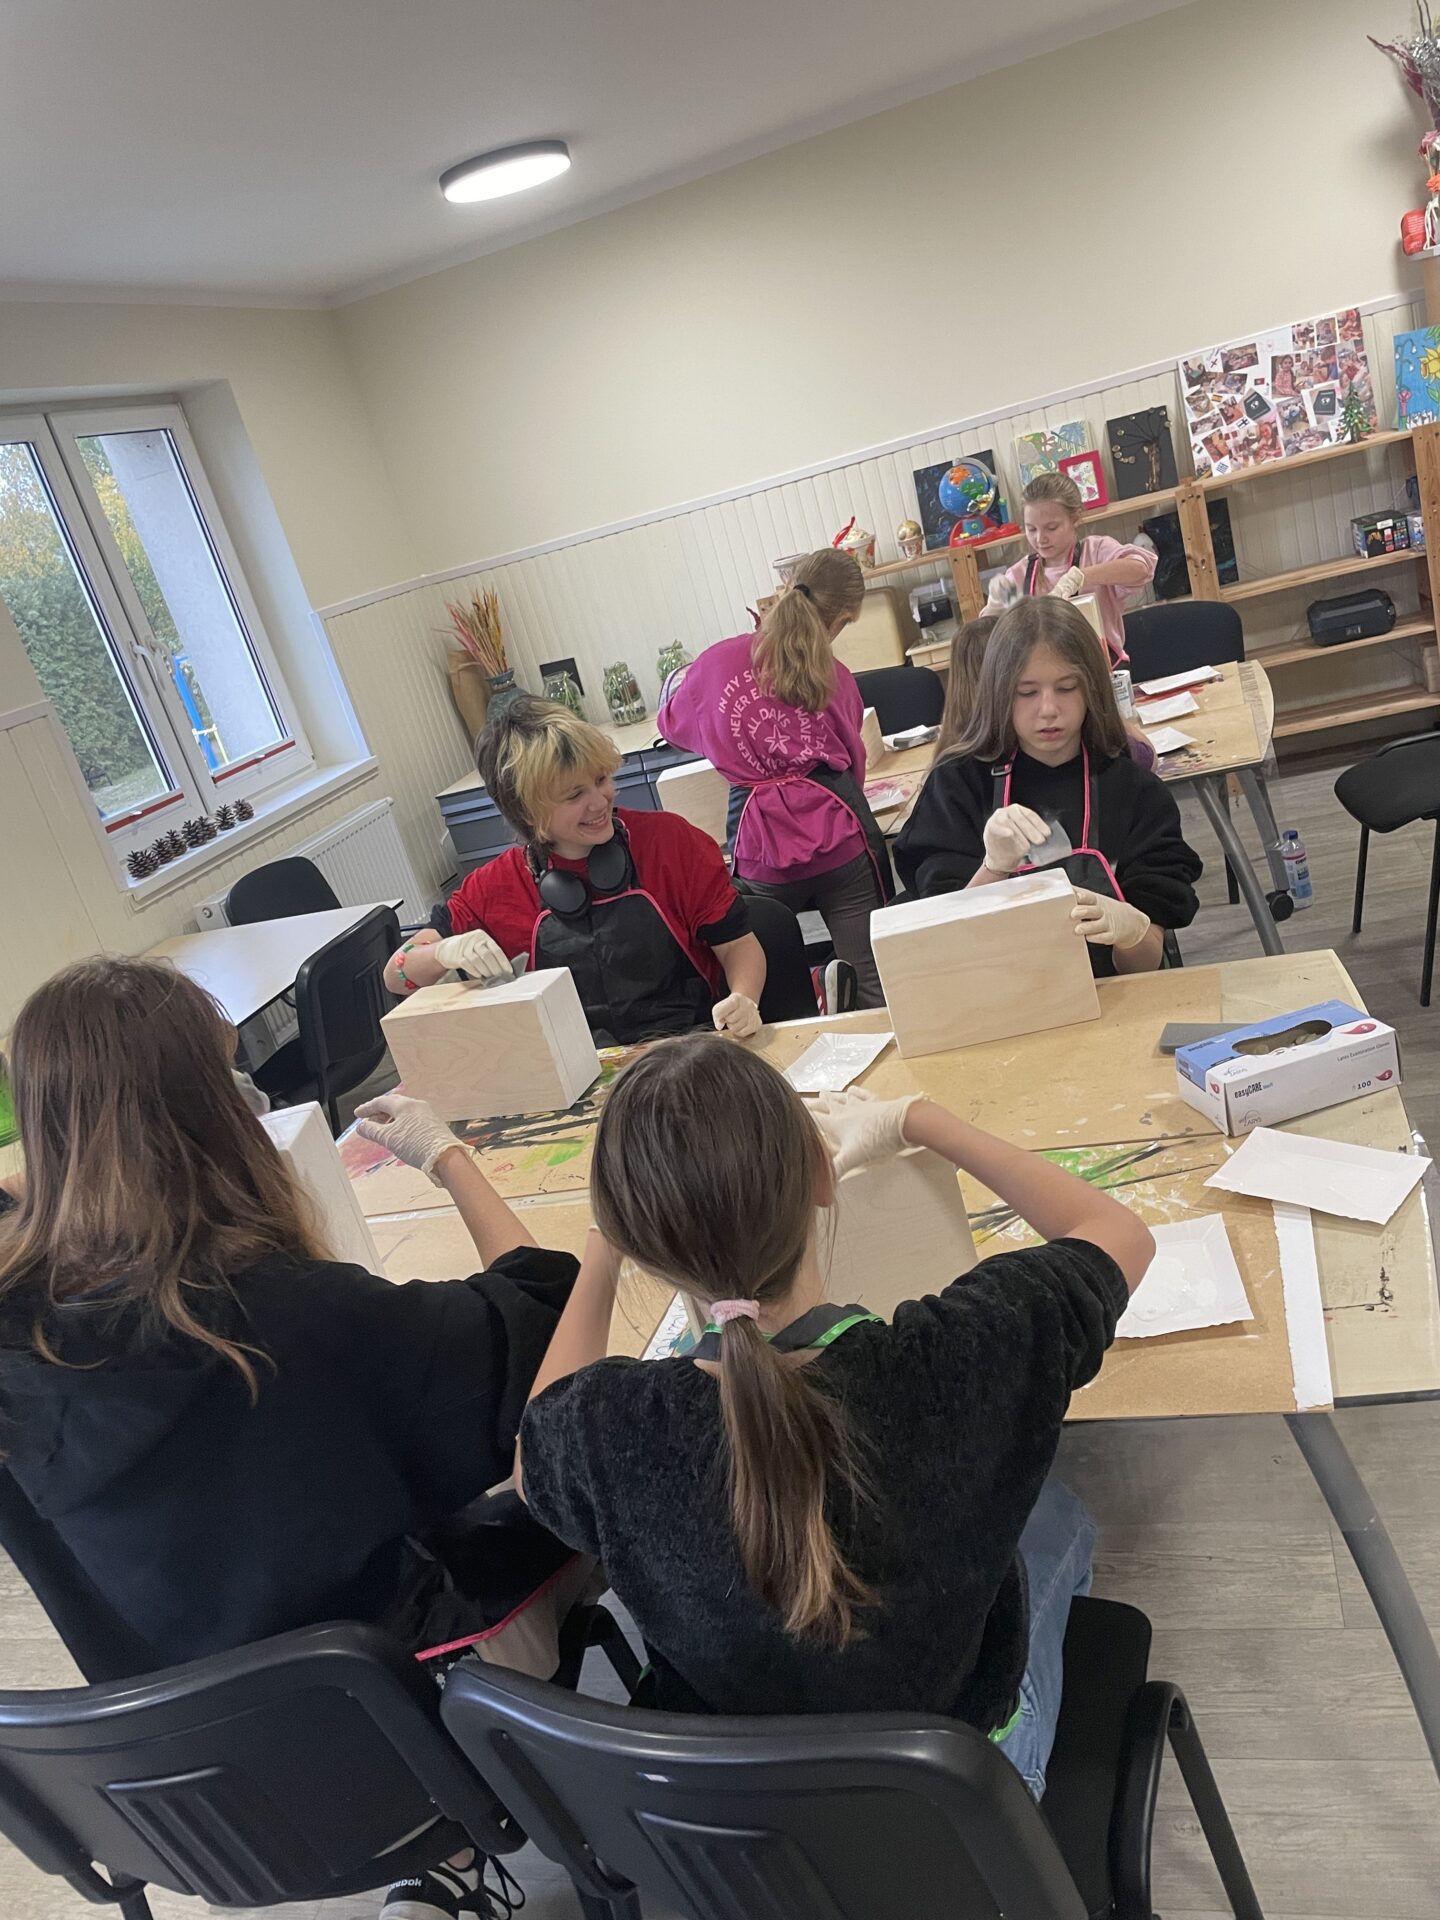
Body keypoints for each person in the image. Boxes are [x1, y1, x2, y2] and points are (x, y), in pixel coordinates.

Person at [0, 958, 585, 1920]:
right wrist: (450, 1159)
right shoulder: (298, 1317)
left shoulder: (19, 1355)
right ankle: (641, 1764)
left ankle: (444, 1862)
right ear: (210, 1115)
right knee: (582, 1484)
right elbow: (549, 1332)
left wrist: (70, 1170)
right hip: (392, 1730)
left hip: (191, 1789)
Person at [515, 1034, 1154, 1799]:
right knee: (1060, 1516)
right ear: (823, 1175)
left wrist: (603, 1248)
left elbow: (533, 1448)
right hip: (959, 1802)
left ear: (633, 1241)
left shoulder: (605, 1432)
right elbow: (1120, 1235)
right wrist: (920, 1119)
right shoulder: (968, 1358)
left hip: (735, 1822)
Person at [385, 696, 767, 1045]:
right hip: (574, 1072)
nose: (599, 802)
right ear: (526, 810)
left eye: (600, 779)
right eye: (574, 795)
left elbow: (737, 944)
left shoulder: (670, 842)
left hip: (689, 1052)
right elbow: (397, 976)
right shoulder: (493, 888)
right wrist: (443, 952)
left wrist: (744, 998)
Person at [895, 598, 1202, 976]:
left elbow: (1144, 965)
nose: (1048, 709)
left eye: (1067, 687)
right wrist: (993, 869)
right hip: (990, 994)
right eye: (1027, 692)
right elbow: (946, 947)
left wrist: (1131, 931)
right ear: (998, 692)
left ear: (1092, 689)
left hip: (1109, 996)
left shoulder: (1135, 792)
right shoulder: (956, 787)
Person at [657, 548, 891, 1007]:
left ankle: (809, 1005)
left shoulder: (715, 664)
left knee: (769, 984)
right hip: (839, 840)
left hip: (760, 846)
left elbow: (673, 726)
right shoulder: (835, 675)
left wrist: (738, 746)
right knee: (872, 981)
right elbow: (851, 759)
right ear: (840, 619)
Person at [986, 472, 1156, 663]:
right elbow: (989, 636)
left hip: (1103, 670)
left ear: (1075, 519)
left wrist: (1080, 576)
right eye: (1031, 529)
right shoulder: (1019, 574)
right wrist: (994, 608)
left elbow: (1141, 568)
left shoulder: (1095, 551)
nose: (1040, 539)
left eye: (1051, 528)